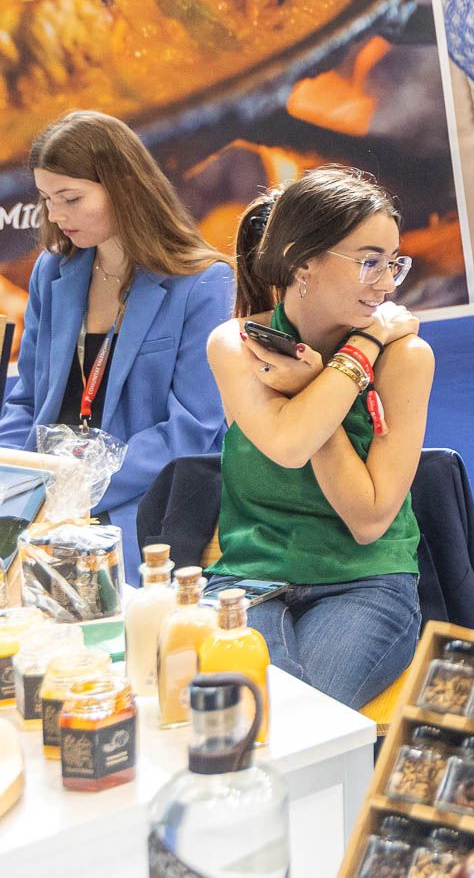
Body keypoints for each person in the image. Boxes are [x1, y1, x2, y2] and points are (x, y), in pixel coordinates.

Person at [205, 168, 433, 707]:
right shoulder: (236, 344)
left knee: (305, 719)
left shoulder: (407, 358)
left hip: (367, 582)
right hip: (248, 577)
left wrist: (318, 384)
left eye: (394, 263)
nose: (386, 283)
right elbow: (287, 443)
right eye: (369, 261)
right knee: (260, 711)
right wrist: (362, 349)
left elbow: (369, 518)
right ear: (302, 261)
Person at [0, 111, 234, 536]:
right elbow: (26, 401)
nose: (56, 216)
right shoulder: (52, 272)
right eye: (46, 199)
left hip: (138, 503)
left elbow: (192, 430)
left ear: (124, 187)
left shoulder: (202, 282)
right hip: (43, 496)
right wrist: (13, 483)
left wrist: (75, 490)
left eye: (71, 199)